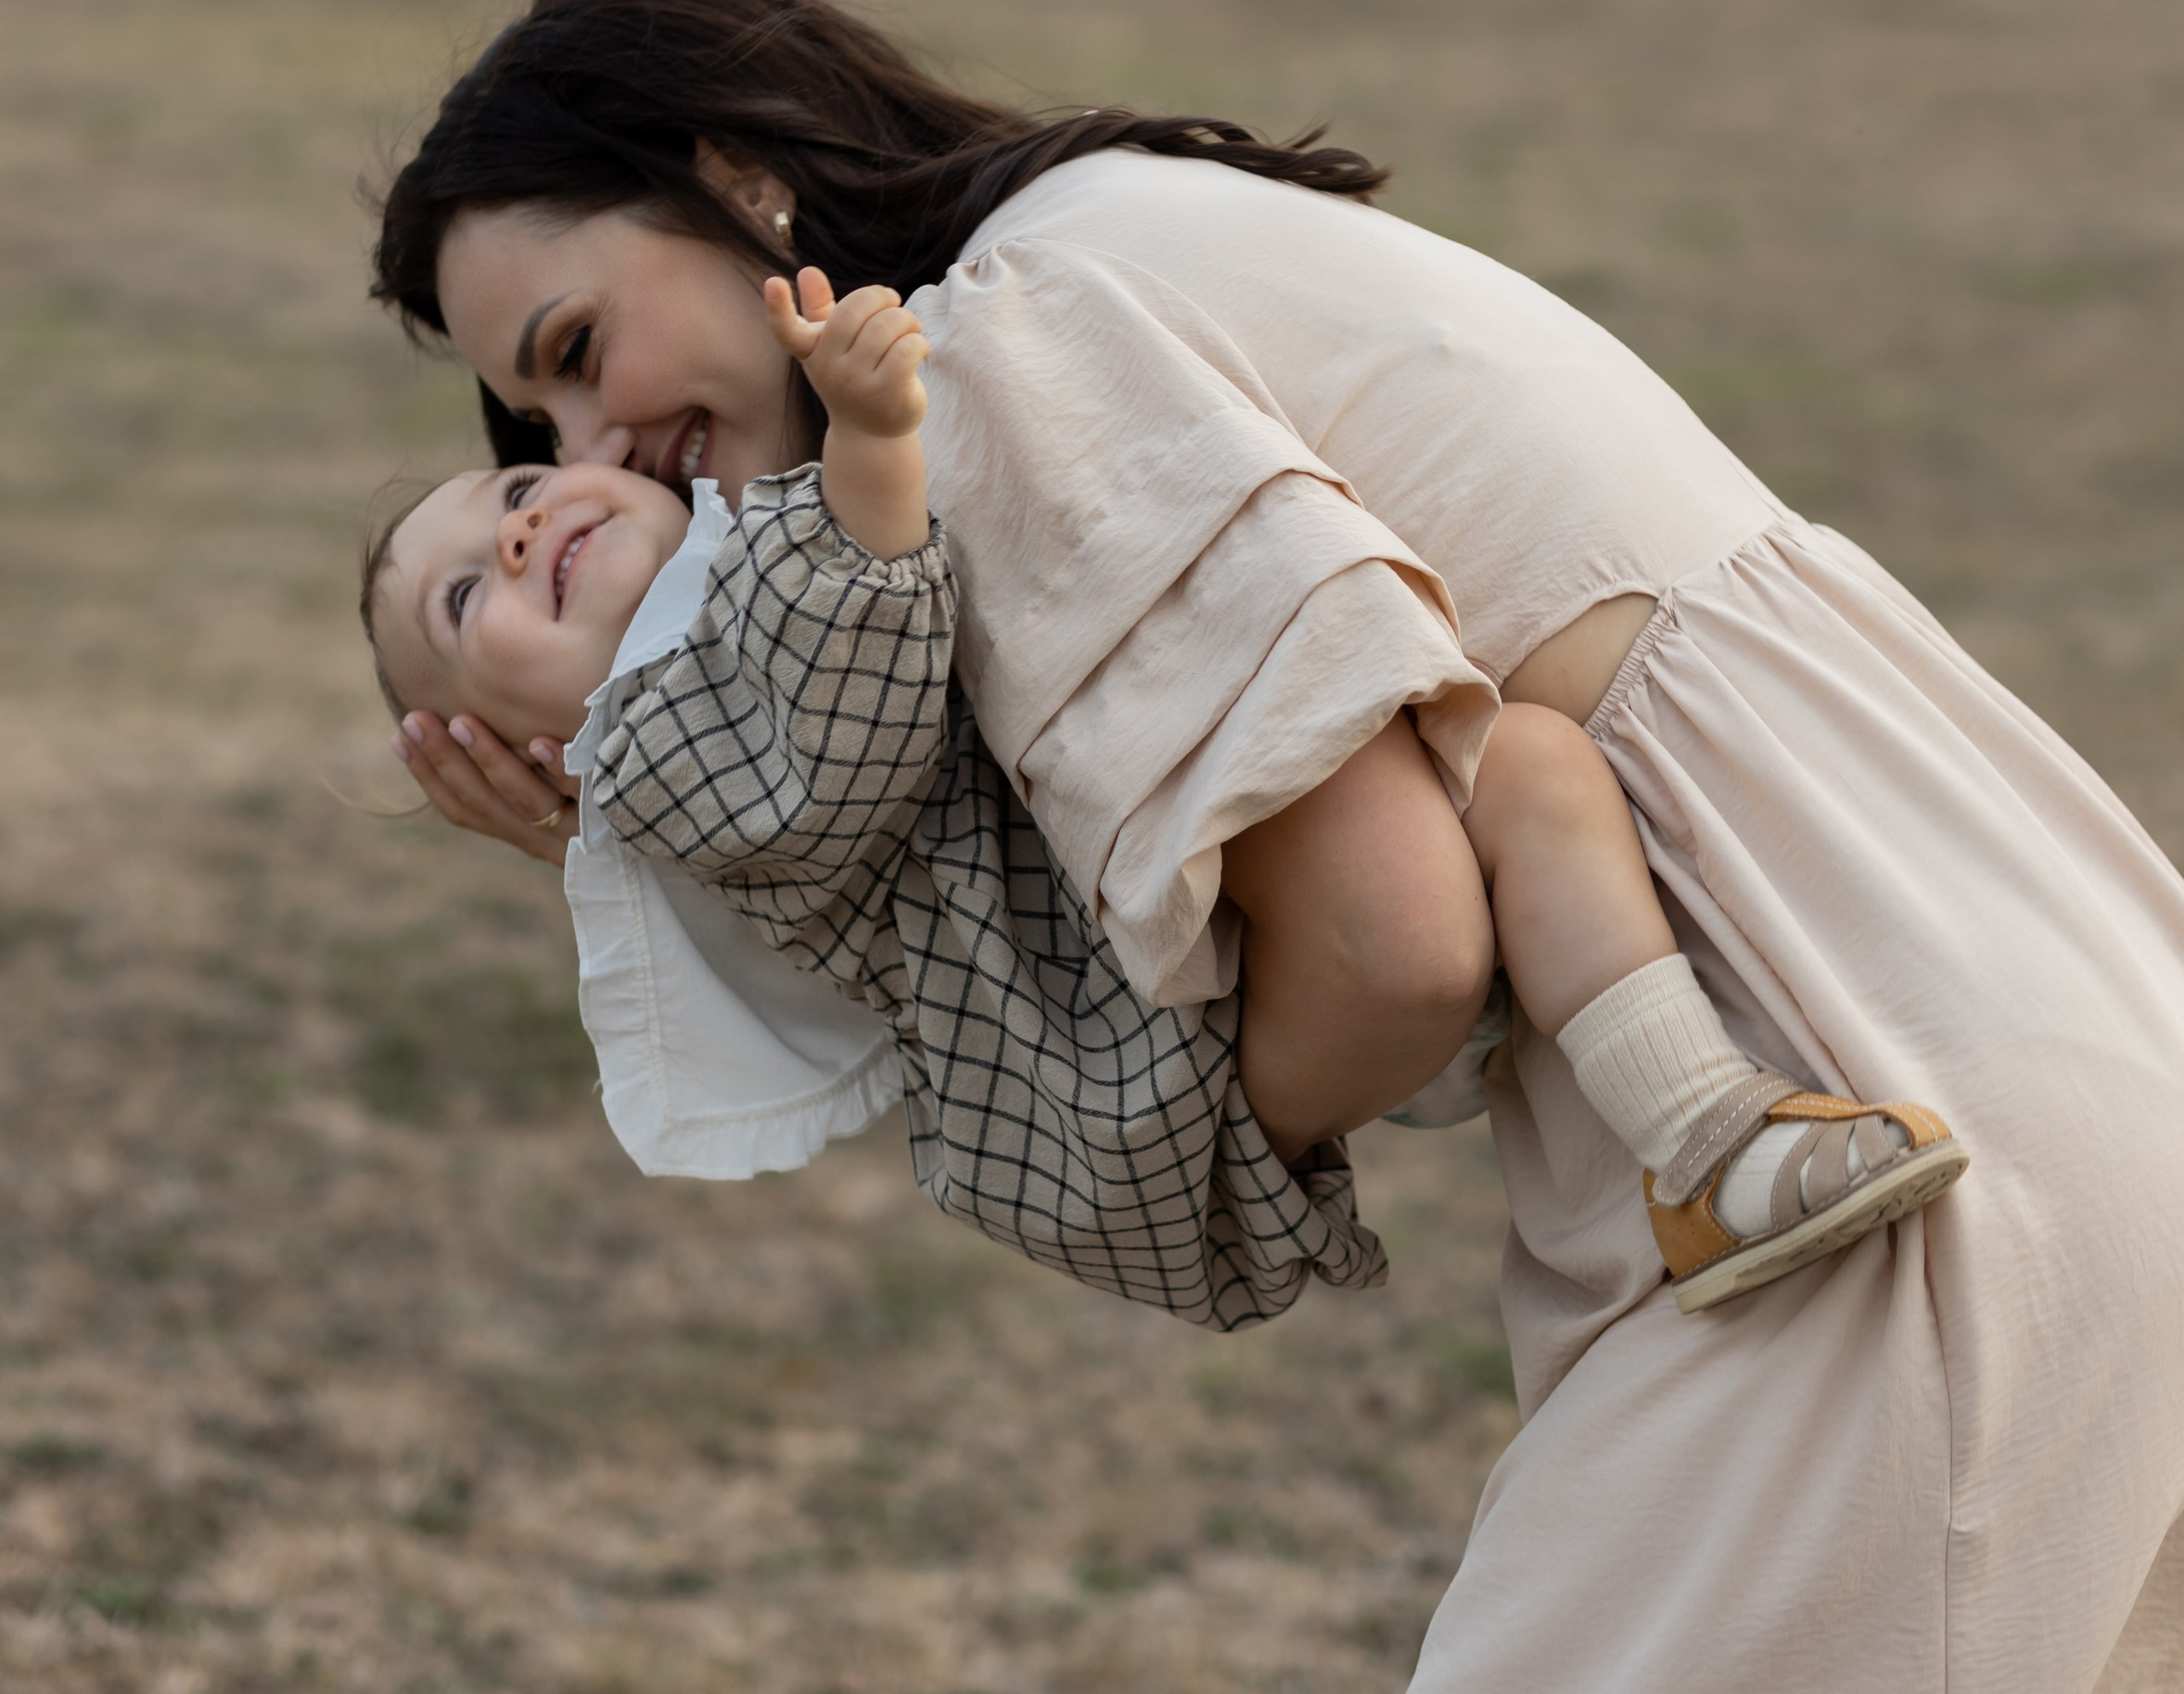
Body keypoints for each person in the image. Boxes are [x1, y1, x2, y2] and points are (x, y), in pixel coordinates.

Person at [372, 0, 2184, 1694]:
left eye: (580, 347)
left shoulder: (998, 358)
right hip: (2045, 975)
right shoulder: (1105, 220)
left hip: (1855, 1091)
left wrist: (1078, 1094)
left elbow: (1395, 956)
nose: (593, 446)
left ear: (737, 179)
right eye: (532, 415)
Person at [366, 263, 1964, 1320]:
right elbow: (833, 719)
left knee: (1535, 766)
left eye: (511, 487)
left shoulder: (734, 547)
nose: (516, 527)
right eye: (462, 602)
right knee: (1433, 858)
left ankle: (1707, 1140)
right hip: (1132, 1062)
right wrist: (871, 441)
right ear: (537, 749)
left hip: (1207, 926)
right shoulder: (660, 757)